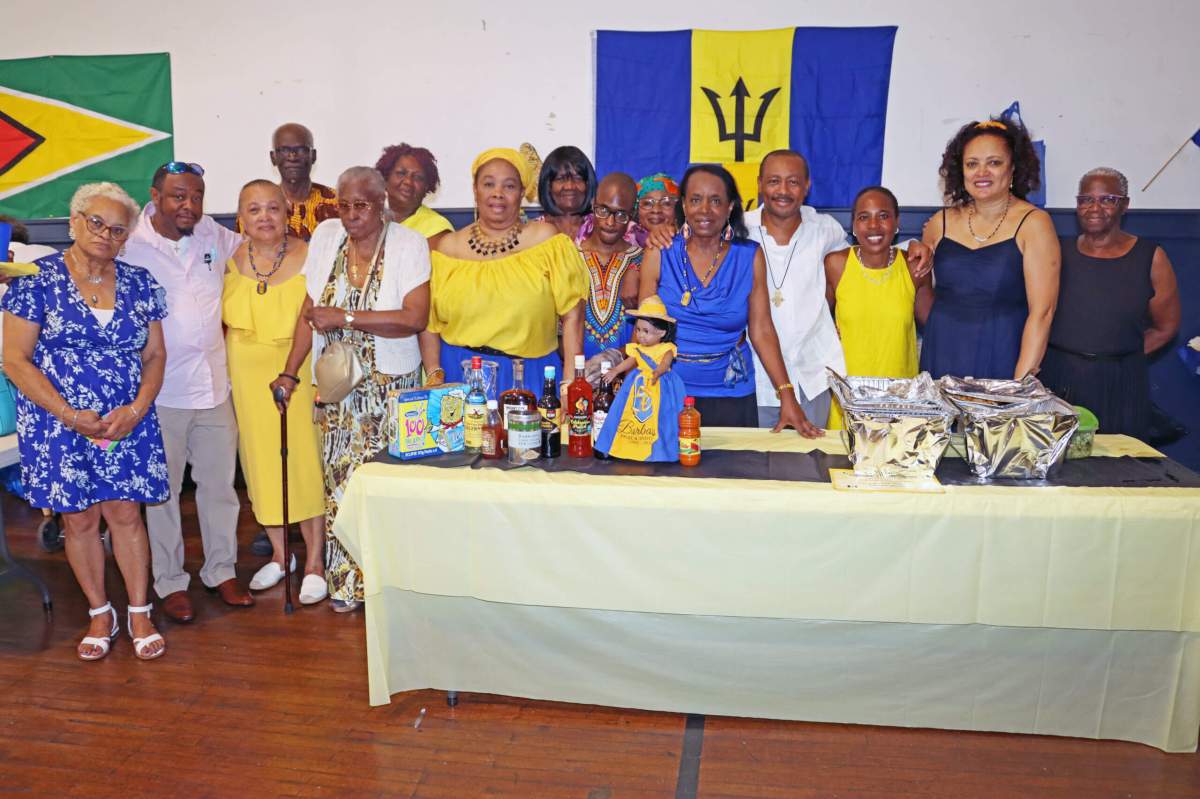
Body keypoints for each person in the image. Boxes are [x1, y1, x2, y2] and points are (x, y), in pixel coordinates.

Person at [1, 182, 168, 660]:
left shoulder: (140, 282)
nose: (106, 234)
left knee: (125, 514)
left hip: (125, 422)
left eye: (118, 229)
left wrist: (135, 410)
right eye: (96, 222)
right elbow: (15, 359)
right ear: (73, 221)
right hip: (57, 424)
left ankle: (139, 610)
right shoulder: (34, 279)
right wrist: (69, 415)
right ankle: (100, 611)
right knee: (78, 519)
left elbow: (155, 355)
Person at [272, 167, 431, 612]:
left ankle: (392, 584)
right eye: (344, 204)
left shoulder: (408, 244)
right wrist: (289, 372)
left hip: (391, 386)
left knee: (388, 486)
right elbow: (310, 310)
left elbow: (414, 318)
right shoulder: (325, 238)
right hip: (340, 389)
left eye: (361, 205)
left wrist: (345, 318)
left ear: (381, 204)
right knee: (341, 484)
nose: (351, 214)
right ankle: (346, 583)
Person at [123, 161, 252, 623]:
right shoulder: (128, 246)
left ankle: (221, 571)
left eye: (196, 196)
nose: (189, 205)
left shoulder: (211, 235)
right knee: (163, 494)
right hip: (160, 393)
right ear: (155, 196)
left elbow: (261, 248)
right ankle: (171, 582)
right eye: (178, 196)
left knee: (220, 488)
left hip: (215, 386)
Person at [743, 150, 932, 429]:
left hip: (814, 380)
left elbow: (870, 254)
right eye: (774, 181)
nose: (783, 190)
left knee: (813, 467)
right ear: (759, 184)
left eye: (793, 182)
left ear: (807, 186)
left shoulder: (825, 229)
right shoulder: (738, 230)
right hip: (757, 381)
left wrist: (912, 246)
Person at [638, 164, 820, 435]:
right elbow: (643, 331)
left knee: (734, 475)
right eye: (696, 200)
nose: (705, 210)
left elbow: (761, 330)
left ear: (730, 207)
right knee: (665, 477)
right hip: (667, 387)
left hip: (731, 393)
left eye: (716, 201)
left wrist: (787, 395)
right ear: (684, 206)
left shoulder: (749, 256)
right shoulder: (659, 252)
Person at [224, 180, 327, 604]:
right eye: (254, 209)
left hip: (295, 373)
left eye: (272, 208)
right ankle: (282, 556)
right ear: (241, 218)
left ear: (287, 213)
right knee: (259, 463)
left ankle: (316, 561)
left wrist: (296, 374)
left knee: (304, 462)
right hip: (245, 379)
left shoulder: (311, 256)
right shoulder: (230, 259)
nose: (264, 217)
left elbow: (313, 319)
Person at [426, 147, 587, 397]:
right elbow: (430, 323)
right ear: (475, 190)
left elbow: (573, 316)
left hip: (530, 376)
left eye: (509, 186)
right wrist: (435, 374)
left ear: (522, 193)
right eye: (488, 184)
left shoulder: (547, 242)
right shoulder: (448, 248)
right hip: (458, 377)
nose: (498, 194)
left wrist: (569, 384)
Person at [1040, 167, 1180, 439]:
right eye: (1086, 200)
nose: (1095, 207)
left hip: (1121, 382)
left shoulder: (1150, 257)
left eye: (1107, 199)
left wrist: (1119, 357)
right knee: (1058, 463)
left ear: (1125, 205)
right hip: (1059, 377)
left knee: (1121, 467)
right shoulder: (1058, 251)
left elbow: (1166, 327)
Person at [919, 118, 1061, 380]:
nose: (981, 172)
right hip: (942, 355)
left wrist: (1017, 389)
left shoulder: (1035, 224)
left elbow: (1043, 313)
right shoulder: (940, 222)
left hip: (1003, 358)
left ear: (1014, 168)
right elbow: (918, 287)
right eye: (972, 164)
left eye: (994, 163)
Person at [824, 187, 933, 428]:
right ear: (853, 225)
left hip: (901, 403)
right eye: (864, 217)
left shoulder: (914, 267)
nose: (873, 225)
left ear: (897, 223)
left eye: (883, 216)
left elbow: (936, 327)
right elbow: (815, 320)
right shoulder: (836, 265)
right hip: (850, 401)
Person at [595, 295, 686, 462]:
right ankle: (627, 446)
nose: (641, 335)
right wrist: (615, 370)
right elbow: (631, 360)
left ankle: (661, 450)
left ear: (662, 332)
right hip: (637, 384)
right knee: (626, 413)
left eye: (646, 331)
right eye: (638, 330)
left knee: (662, 417)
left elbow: (666, 362)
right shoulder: (637, 348)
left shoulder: (666, 348)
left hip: (659, 385)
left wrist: (658, 372)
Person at [578, 173, 642, 359]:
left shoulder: (643, 261)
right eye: (603, 210)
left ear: (632, 215)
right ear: (593, 204)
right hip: (577, 376)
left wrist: (615, 359)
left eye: (621, 214)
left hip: (627, 377)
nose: (610, 222)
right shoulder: (569, 258)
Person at [243, 123, 338, 242]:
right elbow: (244, 253)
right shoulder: (255, 209)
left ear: (313, 156)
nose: (292, 157)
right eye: (284, 150)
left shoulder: (337, 203)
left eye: (301, 150)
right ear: (273, 157)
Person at [375, 143, 453, 246]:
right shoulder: (371, 220)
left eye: (418, 177)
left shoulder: (437, 228)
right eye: (401, 173)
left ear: (426, 187)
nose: (408, 182)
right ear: (385, 178)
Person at [536, 146, 596, 242]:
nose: (570, 186)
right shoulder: (534, 231)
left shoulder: (602, 228)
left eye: (577, 178)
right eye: (560, 179)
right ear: (548, 186)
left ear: (588, 184)